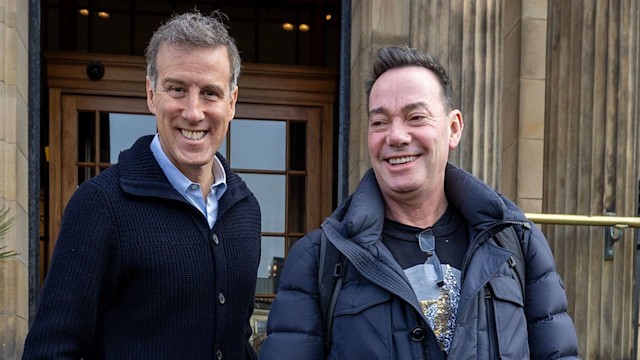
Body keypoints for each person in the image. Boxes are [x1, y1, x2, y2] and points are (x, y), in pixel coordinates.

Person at [259, 46, 579, 359]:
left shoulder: (517, 243)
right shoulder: (318, 259)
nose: (396, 136)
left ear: (453, 129)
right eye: (379, 122)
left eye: (415, 117)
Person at [23, 10, 261, 360]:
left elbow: (237, 338)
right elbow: (51, 351)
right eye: (177, 89)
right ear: (151, 94)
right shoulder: (101, 205)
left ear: (232, 103)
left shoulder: (245, 210)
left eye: (210, 93)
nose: (194, 112)